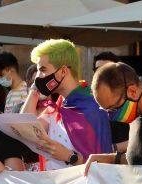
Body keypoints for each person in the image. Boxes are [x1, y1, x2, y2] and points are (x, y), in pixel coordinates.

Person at [20, 39, 113, 170]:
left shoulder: (93, 106)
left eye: (43, 69)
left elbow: (104, 164)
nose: (38, 77)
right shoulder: (58, 106)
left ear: (63, 71)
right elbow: (25, 129)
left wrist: (70, 156)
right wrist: (34, 90)